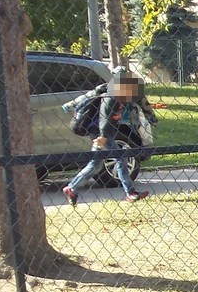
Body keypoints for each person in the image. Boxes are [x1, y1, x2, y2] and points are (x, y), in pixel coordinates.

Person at [61, 70, 151, 205]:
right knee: (121, 157)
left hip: (103, 132)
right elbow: (104, 118)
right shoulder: (109, 98)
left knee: (95, 164)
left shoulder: (120, 98)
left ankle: (71, 188)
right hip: (100, 132)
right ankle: (131, 192)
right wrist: (103, 137)